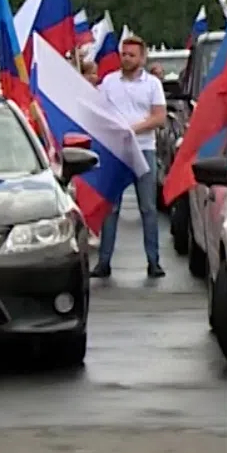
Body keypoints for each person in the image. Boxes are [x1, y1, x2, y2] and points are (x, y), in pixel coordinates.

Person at [92, 36, 167, 279]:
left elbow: (159, 117)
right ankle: (104, 262)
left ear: (142, 58)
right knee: (110, 208)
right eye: (123, 54)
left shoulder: (152, 84)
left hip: (143, 148)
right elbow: (97, 110)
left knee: (148, 207)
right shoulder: (109, 82)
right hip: (115, 151)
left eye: (131, 55)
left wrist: (133, 129)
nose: (126, 58)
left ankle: (153, 261)